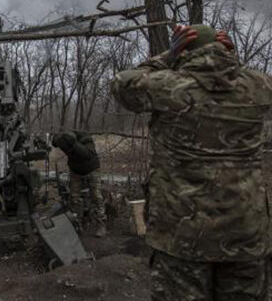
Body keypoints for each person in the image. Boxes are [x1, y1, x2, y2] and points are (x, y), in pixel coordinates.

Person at [111, 24, 272, 300]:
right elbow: (237, 79)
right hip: (246, 233)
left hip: (182, 234)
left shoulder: (168, 85)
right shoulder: (259, 86)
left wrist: (167, 55)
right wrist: (226, 57)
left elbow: (122, 83)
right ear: (225, 49)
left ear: (184, 51)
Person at [51, 131, 107, 237]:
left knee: (96, 196)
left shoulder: (85, 138)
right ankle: (77, 224)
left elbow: (87, 155)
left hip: (91, 169)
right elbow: (55, 141)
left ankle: (101, 224)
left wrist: (73, 145)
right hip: (75, 170)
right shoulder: (63, 140)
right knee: (75, 198)